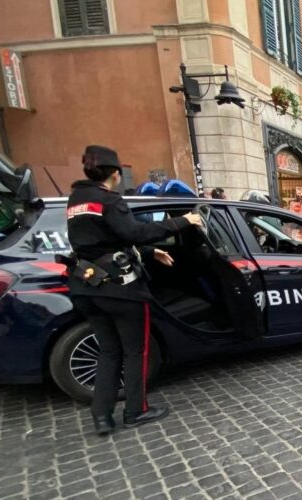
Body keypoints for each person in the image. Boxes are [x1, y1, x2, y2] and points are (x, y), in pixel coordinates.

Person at [66, 146, 202, 435]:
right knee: (135, 352)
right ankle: (135, 411)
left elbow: (105, 239)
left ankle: (101, 416)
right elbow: (134, 232)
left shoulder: (75, 200)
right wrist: (183, 221)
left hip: (87, 286)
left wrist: (151, 252)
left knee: (108, 352)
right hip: (120, 289)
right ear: (115, 173)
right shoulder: (110, 200)